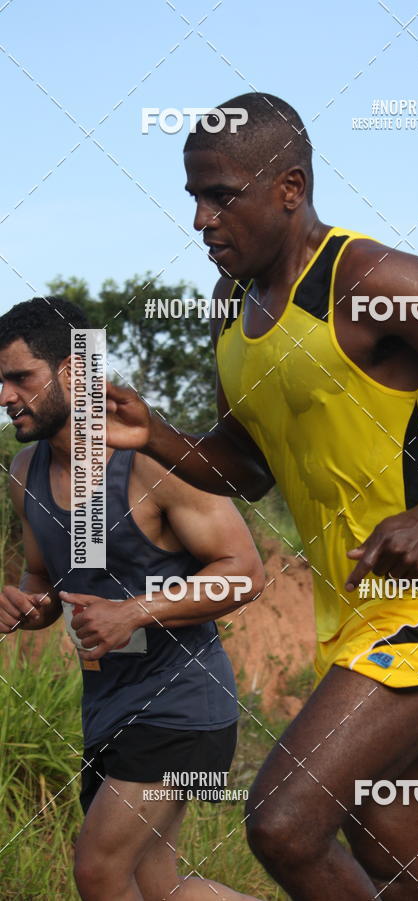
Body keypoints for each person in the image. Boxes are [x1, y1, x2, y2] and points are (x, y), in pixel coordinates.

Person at [104, 93, 418, 901]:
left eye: (221, 195)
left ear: (289, 188)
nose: (200, 219)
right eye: (192, 196)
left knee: (283, 822)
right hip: (356, 607)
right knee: (395, 871)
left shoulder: (367, 279)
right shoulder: (231, 311)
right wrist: (155, 433)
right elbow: (249, 470)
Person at [0, 296, 264, 901]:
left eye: (20, 378)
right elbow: (43, 580)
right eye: (1, 380)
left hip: (184, 704)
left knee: (98, 870)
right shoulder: (24, 473)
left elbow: (244, 573)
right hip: (107, 703)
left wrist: (136, 611)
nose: (5, 396)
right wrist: (27, 607)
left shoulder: (149, 463)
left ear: (73, 372)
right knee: (156, 886)